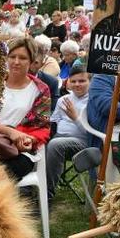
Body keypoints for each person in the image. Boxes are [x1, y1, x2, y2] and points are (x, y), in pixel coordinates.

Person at [0, 37, 51, 181]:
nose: (16, 62)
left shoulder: (40, 90)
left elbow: (41, 126)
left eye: (22, 58)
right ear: (6, 58)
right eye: (12, 57)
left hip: (21, 152)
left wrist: (27, 141)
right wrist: (10, 132)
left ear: (31, 61)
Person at [46, 65, 90, 200]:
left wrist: (75, 118)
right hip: (59, 138)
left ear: (90, 81)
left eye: (82, 81)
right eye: (73, 81)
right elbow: (53, 122)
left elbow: (91, 133)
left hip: (82, 142)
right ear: (68, 83)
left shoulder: (92, 102)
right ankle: (32, 187)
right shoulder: (63, 100)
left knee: (55, 145)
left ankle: (48, 193)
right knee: (38, 143)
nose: (77, 84)